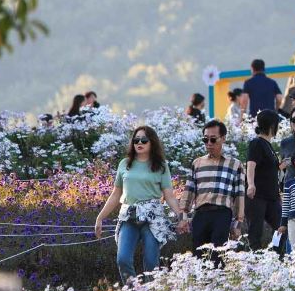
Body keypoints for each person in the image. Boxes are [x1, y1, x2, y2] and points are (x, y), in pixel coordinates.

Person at [94, 126, 185, 282]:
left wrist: (181, 216)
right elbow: (116, 194)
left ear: (152, 142)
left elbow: (169, 195)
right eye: (136, 140)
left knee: (151, 264)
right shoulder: (124, 164)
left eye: (144, 140)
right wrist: (100, 218)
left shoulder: (161, 165)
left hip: (152, 218)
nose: (139, 143)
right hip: (129, 216)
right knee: (122, 259)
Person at [177, 120, 245, 257]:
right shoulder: (197, 163)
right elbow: (189, 191)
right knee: (199, 257)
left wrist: (237, 224)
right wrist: (183, 217)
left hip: (222, 214)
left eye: (213, 139)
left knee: (217, 257)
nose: (209, 143)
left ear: (223, 138)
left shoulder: (235, 164)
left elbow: (239, 195)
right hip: (200, 214)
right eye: (205, 139)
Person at [244, 110, 283, 250]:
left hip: (271, 196)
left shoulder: (268, 145)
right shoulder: (257, 143)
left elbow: (268, 169)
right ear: (272, 126)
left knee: (281, 227)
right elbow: (251, 164)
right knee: (255, 231)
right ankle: (255, 261)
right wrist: (251, 184)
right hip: (257, 195)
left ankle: (275, 254)